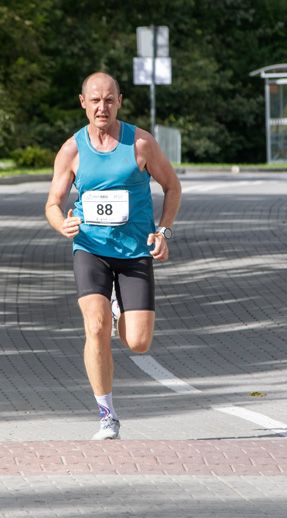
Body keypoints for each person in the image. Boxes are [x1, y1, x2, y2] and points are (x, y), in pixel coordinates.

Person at [45, 72, 182, 440]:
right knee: (96, 327)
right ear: (83, 102)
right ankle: (107, 414)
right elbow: (53, 203)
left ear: (119, 101)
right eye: (95, 100)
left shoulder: (140, 143)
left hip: (135, 251)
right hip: (90, 249)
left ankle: (120, 306)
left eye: (109, 100)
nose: (101, 107)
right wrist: (63, 225)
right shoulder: (72, 149)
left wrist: (164, 231)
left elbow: (172, 186)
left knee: (138, 343)